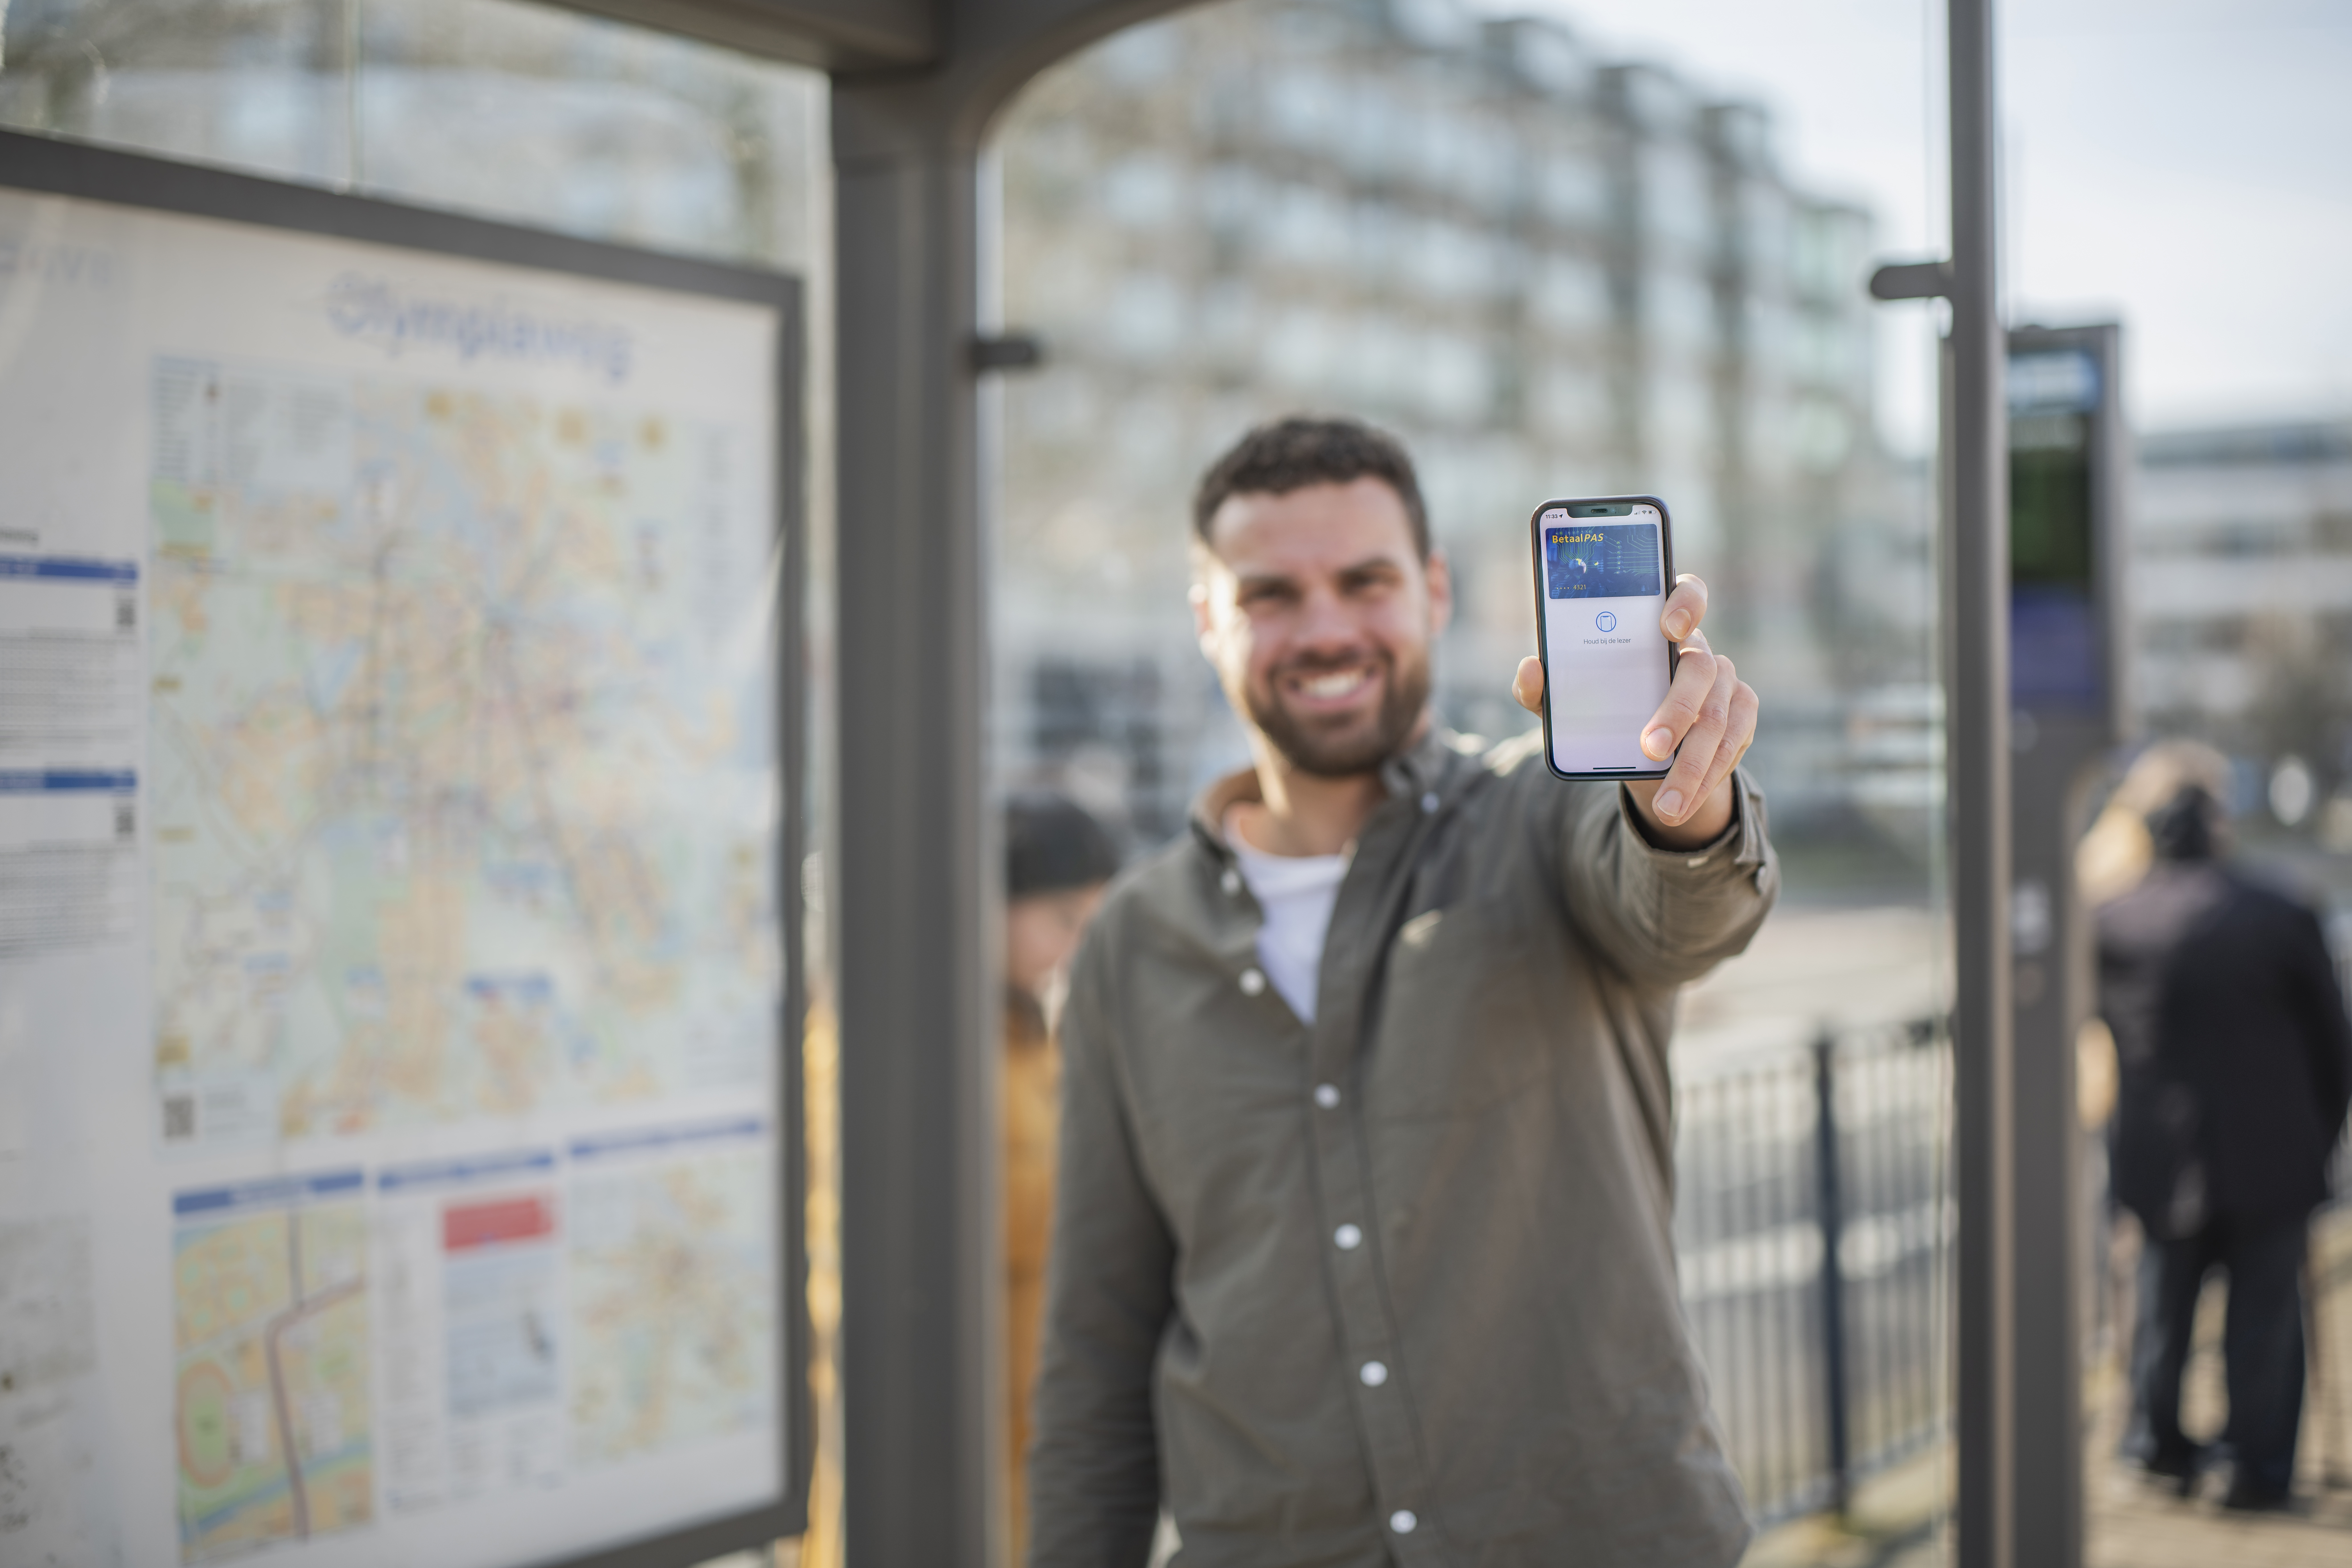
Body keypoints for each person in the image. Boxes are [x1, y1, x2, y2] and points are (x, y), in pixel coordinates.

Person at [1026, 417, 1775, 1565]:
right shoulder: (1131, 941)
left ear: (1433, 590)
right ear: (1208, 619)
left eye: (1365, 581)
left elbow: (1685, 910)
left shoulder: (1547, 813)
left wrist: (1684, 803)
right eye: (1272, 593)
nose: (1327, 628)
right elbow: (1099, 1346)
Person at [2095, 746, 2352, 1510]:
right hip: (2275, 1152)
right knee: (2264, 1322)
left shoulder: (2115, 920)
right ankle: (2254, 1467)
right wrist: (2322, 1137)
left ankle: (2157, 1450)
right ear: (2218, 826)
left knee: (2162, 1309)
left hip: (2156, 1154)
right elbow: (2334, 1046)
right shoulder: (2280, 912)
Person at [1002, 790, 1122, 1559]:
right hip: (956, 1429)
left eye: (1093, 926)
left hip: (1039, 1430)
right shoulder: (901, 1047)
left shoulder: (1041, 1041)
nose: (1077, 948)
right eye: (1061, 919)